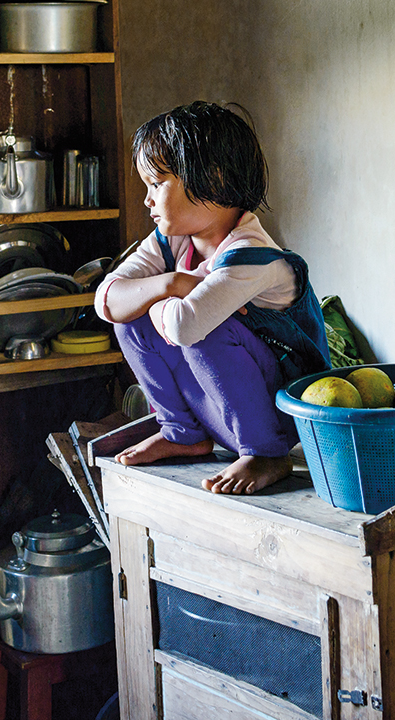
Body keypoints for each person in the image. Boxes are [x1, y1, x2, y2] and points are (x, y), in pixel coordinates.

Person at [94, 101, 331, 494]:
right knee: (129, 319)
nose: (147, 200)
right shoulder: (172, 242)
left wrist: (159, 302)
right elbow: (107, 300)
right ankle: (183, 433)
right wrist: (171, 284)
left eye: (157, 184)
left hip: (282, 417)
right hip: (220, 409)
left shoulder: (251, 254)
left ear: (215, 180)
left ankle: (267, 455)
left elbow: (188, 326)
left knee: (208, 329)